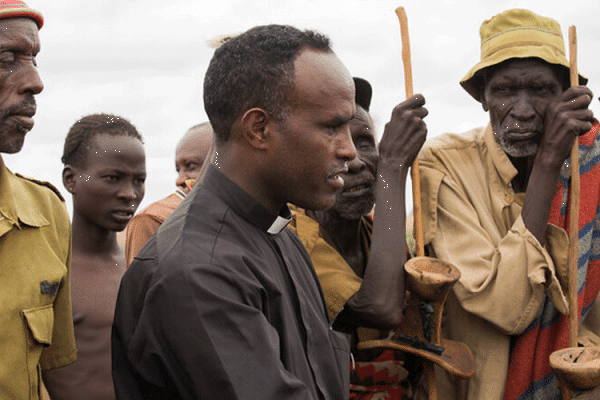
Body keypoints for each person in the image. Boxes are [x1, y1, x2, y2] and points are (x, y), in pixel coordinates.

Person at [112, 24, 357, 399]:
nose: (349, 151)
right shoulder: (198, 270)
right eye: (332, 128)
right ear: (258, 129)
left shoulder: (281, 236)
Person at [418, 9, 600, 400]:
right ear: (483, 97)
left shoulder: (590, 170)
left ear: (566, 95)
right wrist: (548, 164)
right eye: (504, 91)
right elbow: (505, 307)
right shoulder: (444, 163)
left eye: (540, 90)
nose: (522, 110)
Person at [288, 77, 427, 398]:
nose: (357, 161)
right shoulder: (294, 234)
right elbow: (379, 308)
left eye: (365, 142)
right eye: (333, 139)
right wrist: (393, 166)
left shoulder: (377, 234)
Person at [0, 2, 78, 399]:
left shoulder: (47, 213)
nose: (35, 81)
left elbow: (55, 376)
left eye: (33, 59)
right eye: (6, 58)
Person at [41, 114, 146, 400]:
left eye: (139, 180)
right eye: (113, 178)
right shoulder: (46, 272)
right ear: (70, 179)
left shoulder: (144, 267)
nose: (129, 194)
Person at [124, 122, 212, 266]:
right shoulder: (153, 219)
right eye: (178, 170)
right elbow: (141, 286)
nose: (180, 180)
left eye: (191, 166)